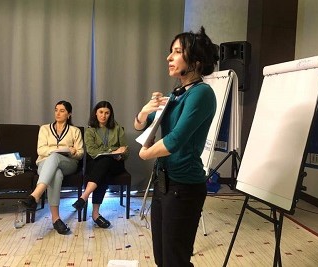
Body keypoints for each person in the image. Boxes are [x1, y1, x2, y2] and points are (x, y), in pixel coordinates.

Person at [133, 26, 219, 267]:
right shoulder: (178, 93)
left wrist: (145, 153)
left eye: (177, 52)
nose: (169, 57)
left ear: (196, 61)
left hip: (184, 187)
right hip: (164, 183)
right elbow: (142, 125)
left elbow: (176, 139)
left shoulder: (201, 94)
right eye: (170, 51)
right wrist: (144, 112)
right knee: (162, 257)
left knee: (175, 259)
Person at [20, 100, 84, 235]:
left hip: (68, 163)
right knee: (56, 174)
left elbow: (80, 153)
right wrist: (58, 149)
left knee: (55, 157)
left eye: (62, 111)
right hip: (44, 163)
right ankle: (56, 219)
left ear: (69, 114)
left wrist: (73, 152)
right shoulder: (44, 128)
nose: (58, 113)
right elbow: (40, 150)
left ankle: (35, 195)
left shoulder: (75, 131)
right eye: (56, 110)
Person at [72, 101, 128, 228]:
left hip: (116, 163)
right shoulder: (90, 130)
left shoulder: (117, 128)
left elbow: (126, 150)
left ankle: (84, 197)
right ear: (96, 114)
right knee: (104, 167)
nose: (104, 115)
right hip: (98, 163)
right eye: (101, 112)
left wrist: (121, 153)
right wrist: (111, 151)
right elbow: (91, 151)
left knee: (106, 162)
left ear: (110, 115)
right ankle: (95, 214)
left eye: (107, 113)